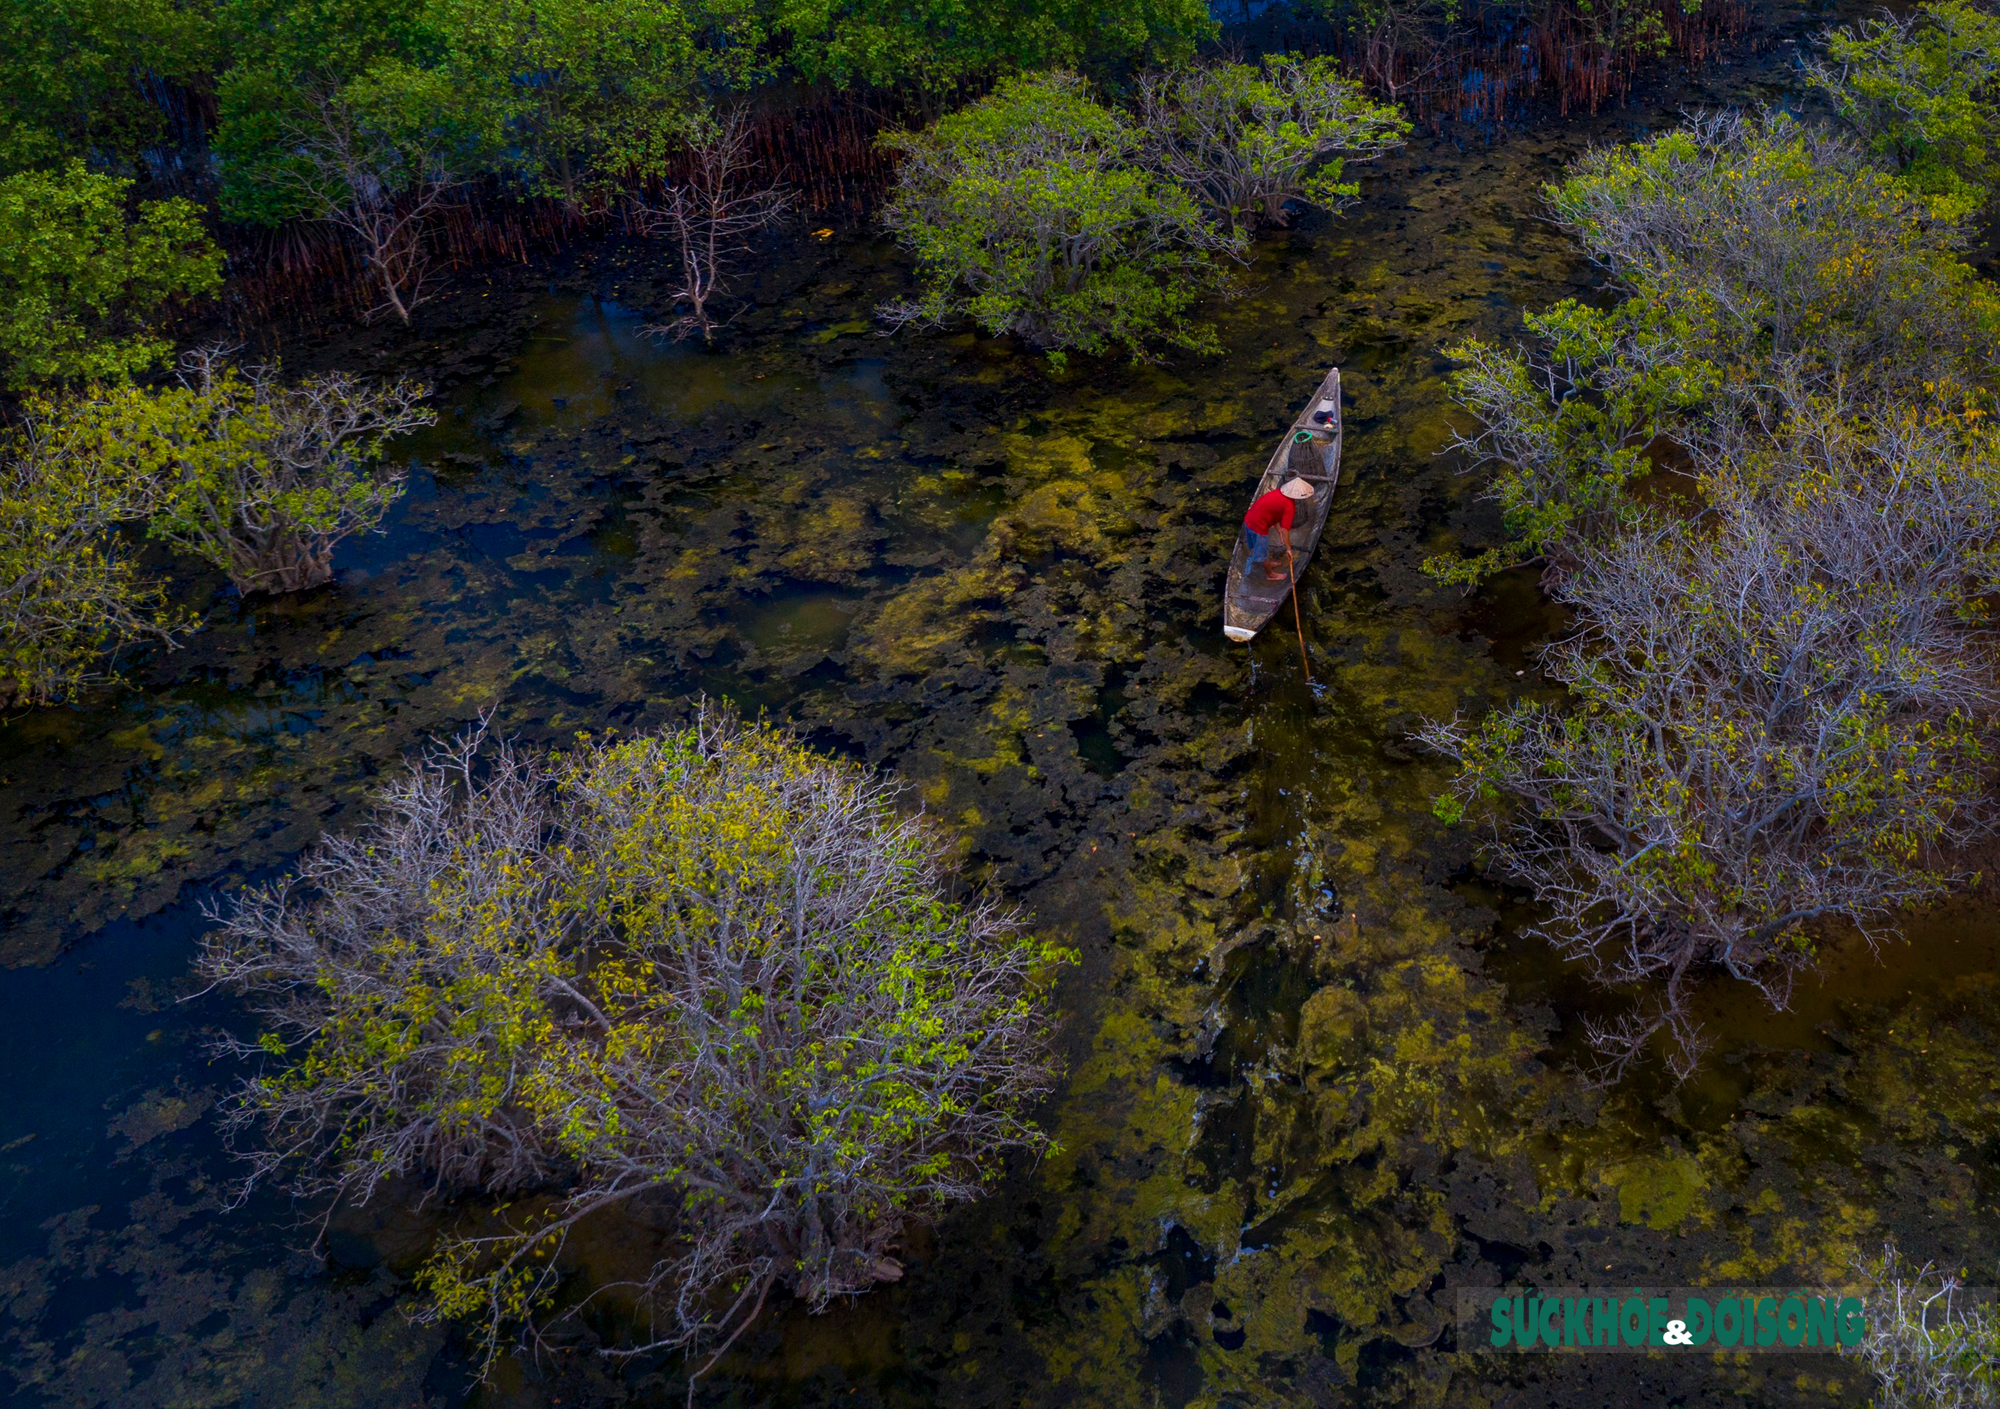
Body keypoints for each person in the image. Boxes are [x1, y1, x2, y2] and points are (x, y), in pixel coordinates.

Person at [1242, 476, 1316, 582]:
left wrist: (1279, 530)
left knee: (1260, 547)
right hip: (1257, 526)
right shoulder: (1289, 506)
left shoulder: (1277, 493)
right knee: (1262, 554)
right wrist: (1288, 548)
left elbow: (1274, 514)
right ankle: (1270, 575)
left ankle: (1268, 564)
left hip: (1249, 518)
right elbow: (1286, 530)